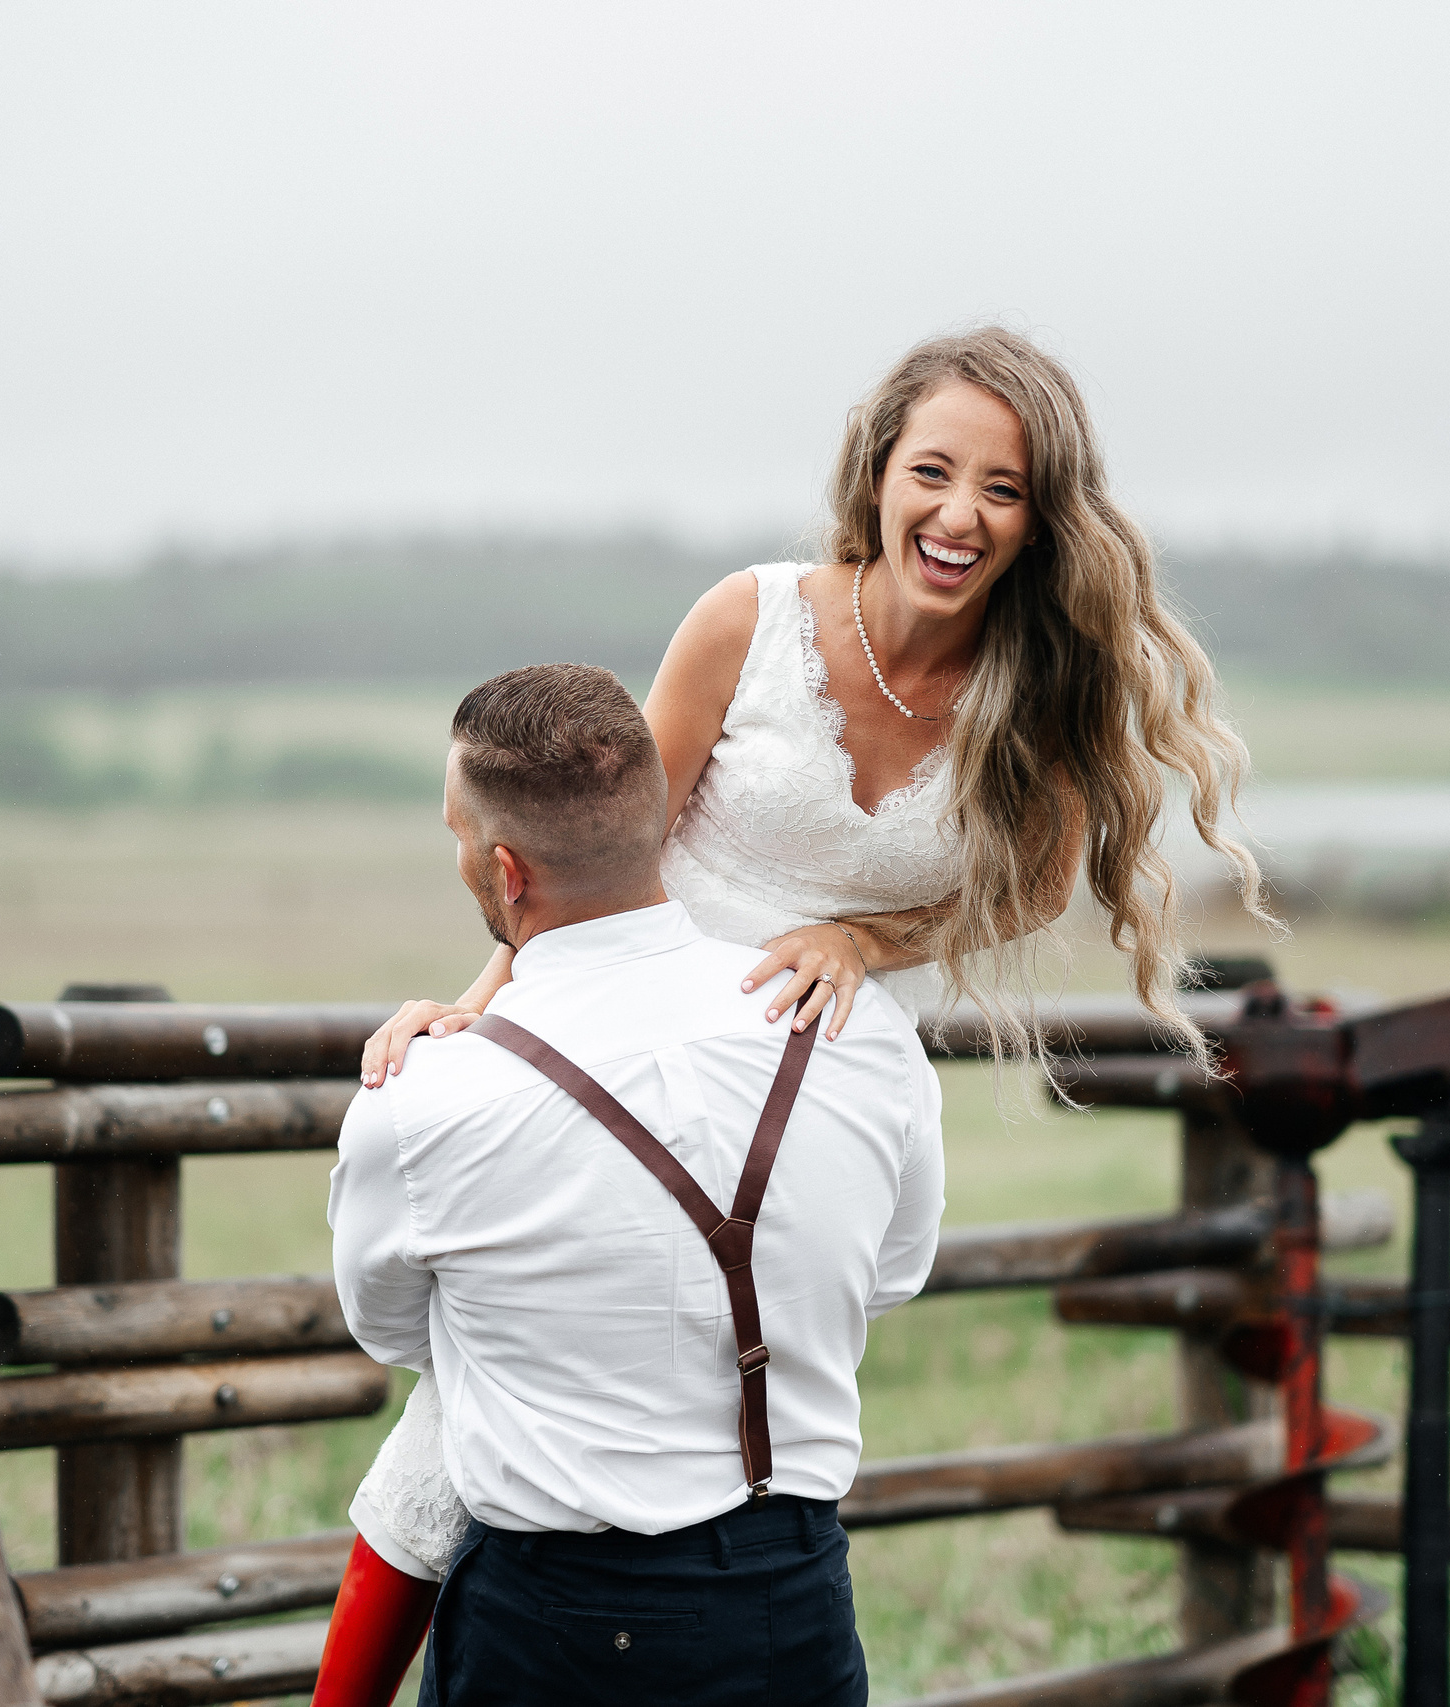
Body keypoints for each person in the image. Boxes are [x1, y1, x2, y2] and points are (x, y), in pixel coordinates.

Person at [319, 326, 1263, 1702]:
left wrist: (872, 936)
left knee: (611, 1394)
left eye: (1002, 489)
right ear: (877, 471)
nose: (959, 514)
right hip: (618, 1024)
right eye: (933, 471)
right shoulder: (744, 622)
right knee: (465, 1421)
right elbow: (593, 845)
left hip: (797, 1081)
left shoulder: (1037, 684)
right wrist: (480, 1012)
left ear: (1042, 515)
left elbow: (1033, 885)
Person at [326, 663, 943, 1706]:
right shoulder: (857, 1035)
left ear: (505, 871)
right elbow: (889, 1271)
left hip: (544, 1630)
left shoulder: (422, 1094)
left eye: (457, 834)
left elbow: (391, 1331)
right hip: (786, 1608)